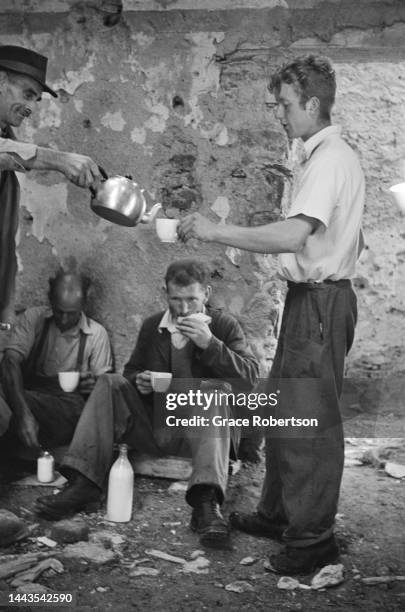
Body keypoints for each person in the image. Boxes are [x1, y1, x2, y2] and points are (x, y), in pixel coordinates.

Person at [178, 55, 365, 574]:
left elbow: (292, 234)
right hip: (316, 297)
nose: (278, 113)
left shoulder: (329, 160)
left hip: (322, 301)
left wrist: (216, 230)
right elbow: (346, 235)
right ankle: (278, 513)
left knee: (310, 423)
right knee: (286, 410)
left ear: (310, 103)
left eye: (283, 104)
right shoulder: (320, 157)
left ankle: (312, 542)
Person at [35, 259, 259, 549]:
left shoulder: (224, 325)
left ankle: (206, 504)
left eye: (192, 299)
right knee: (109, 382)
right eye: (175, 299)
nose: (184, 308)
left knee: (214, 393)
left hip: (202, 437)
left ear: (206, 293)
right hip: (156, 427)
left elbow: (250, 379)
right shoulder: (154, 326)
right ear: (165, 293)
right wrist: (139, 380)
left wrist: (210, 344)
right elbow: (130, 372)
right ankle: (84, 483)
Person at [0, 45, 101, 322]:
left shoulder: (6, 135)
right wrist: (60, 160)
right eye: (27, 94)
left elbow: (12, 156)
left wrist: (5, 306)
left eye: (37, 100)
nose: (32, 108)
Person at [0, 271, 113, 452]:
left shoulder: (97, 334)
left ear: (84, 304)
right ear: (50, 300)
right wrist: (23, 413)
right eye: (59, 311)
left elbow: (107, 393)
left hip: (65, 409)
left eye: (71, 314)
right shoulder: (34, 318)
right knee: (7, 390)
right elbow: (9, 362)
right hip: (29, 398)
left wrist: (93, 384)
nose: (64, 319)